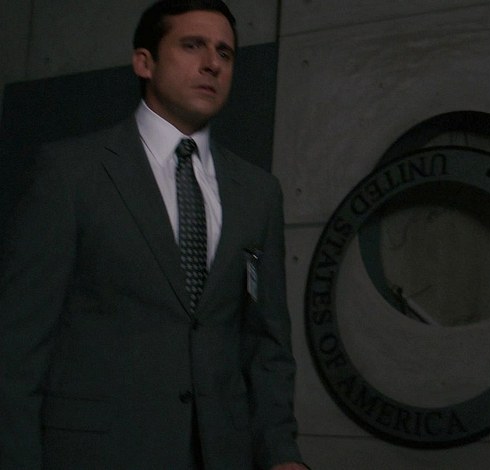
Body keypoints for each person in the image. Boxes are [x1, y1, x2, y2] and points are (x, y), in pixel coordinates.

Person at [0, 0, 307, 468]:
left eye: (225, 53)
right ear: (145, 62)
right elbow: (17, 349)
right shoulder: (70, 173)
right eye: (193, 46)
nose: (212, 63)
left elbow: (267, 344)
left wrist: (282, 454)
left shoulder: (259, 194)